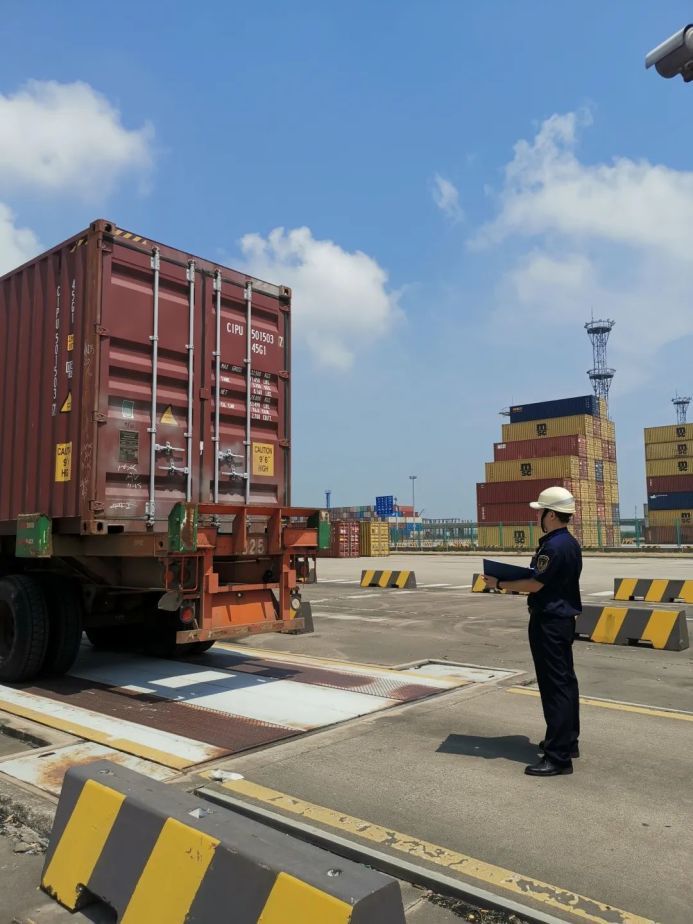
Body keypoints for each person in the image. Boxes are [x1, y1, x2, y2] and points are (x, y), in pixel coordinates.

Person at [483, 486, 582, 777]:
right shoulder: (569, 543)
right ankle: (567, 742)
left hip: (549, 622)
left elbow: (536, 584)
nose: (537, 516)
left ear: (551, 514)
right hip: (562, 620)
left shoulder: (553, 547)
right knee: (565, 683)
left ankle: (558, 758)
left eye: (540, 511)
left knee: (554, 687)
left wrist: (499, 583)